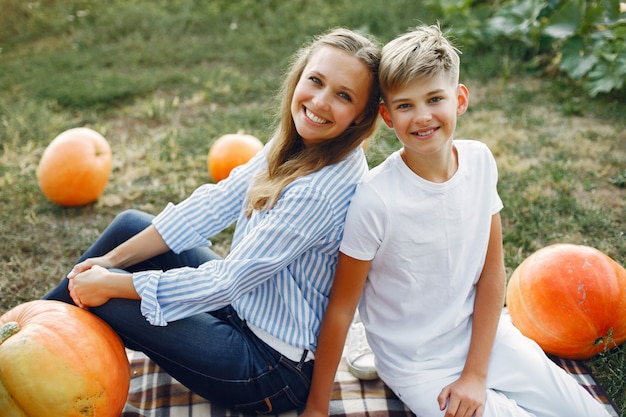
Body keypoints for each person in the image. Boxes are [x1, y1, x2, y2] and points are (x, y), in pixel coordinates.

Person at [43, 27, 381, 415]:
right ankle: (25, 339)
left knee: (100, 299)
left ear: (361, 115)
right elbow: (217, 201)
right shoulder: (301, 141)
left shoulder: (320, 191)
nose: (320, 102)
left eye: (343, 96)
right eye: (316, 81)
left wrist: (111, 285)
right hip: (243, 310)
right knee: (130, 225)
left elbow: (225, 281)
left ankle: (27, 350)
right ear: (300, 76)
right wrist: (109, 264)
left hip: (270, 368)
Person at [302, 24, 612, 417]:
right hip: (418, 366)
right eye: (405, 105)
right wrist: (316, 408)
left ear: (459, 99)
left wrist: (474, 374)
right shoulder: (375, 198)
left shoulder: (480, 161)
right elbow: (342, 309)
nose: (422, 116)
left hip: (486, 339)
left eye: (435, 99)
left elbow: (491, 272)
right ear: (386, 115)